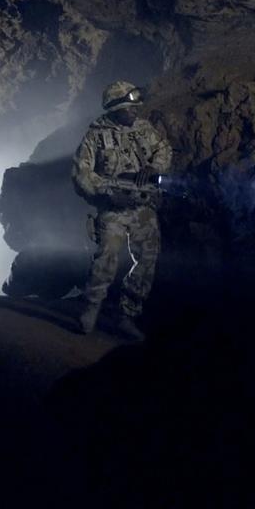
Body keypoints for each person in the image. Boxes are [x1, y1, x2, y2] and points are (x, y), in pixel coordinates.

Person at [72, 81, 172, 340]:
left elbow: (164, 150)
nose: (135, 112)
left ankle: (127, 315)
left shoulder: (144, 129)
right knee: (106, 258)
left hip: (142, 207)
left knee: (148, 260)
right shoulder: (95, 136)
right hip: (113, 207)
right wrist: (106, 193)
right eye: (129, 108)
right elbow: (81, 173)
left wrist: (154, 167)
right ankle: (91, 308)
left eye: (135, 107)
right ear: (115, 108)